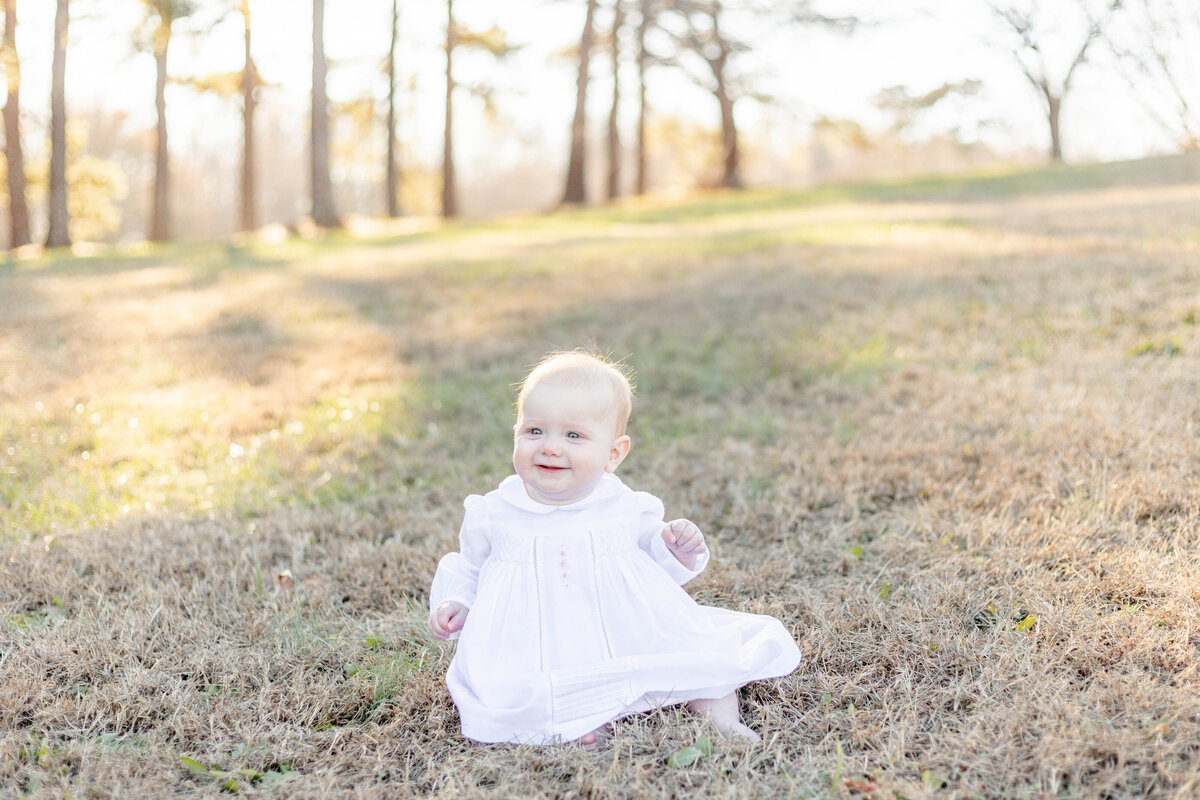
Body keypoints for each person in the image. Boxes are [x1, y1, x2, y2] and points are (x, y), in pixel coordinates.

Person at [427, 351, 801, 746]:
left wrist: (675, 546)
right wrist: (456, 603)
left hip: (629, 628)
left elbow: (655, 562)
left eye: (573, 435)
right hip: (536, 642)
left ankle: (721, 718)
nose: (550, 447)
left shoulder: (625, 505)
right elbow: (470, 567)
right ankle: (583, 725)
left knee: (702, 660)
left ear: (614, 454)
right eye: (534, 431)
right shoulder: (495, 512)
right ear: (516, 433)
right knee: (528, 690)